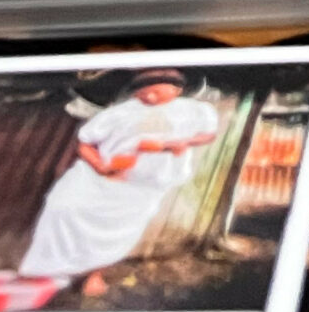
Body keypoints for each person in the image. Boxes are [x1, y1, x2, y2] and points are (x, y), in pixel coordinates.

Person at [18, 71, 220, 299]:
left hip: (143, 184)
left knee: (117, 231)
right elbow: (85, 143)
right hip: (98, 175)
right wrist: (100, 166)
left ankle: (94, 275)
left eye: (157, 92)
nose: (150, 97)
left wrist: (184, 142)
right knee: (61, 207)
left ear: (177, 90)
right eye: (144, 92)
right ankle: (43, 271)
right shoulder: (118, 113)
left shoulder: (194, 112)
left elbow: (208, 134)